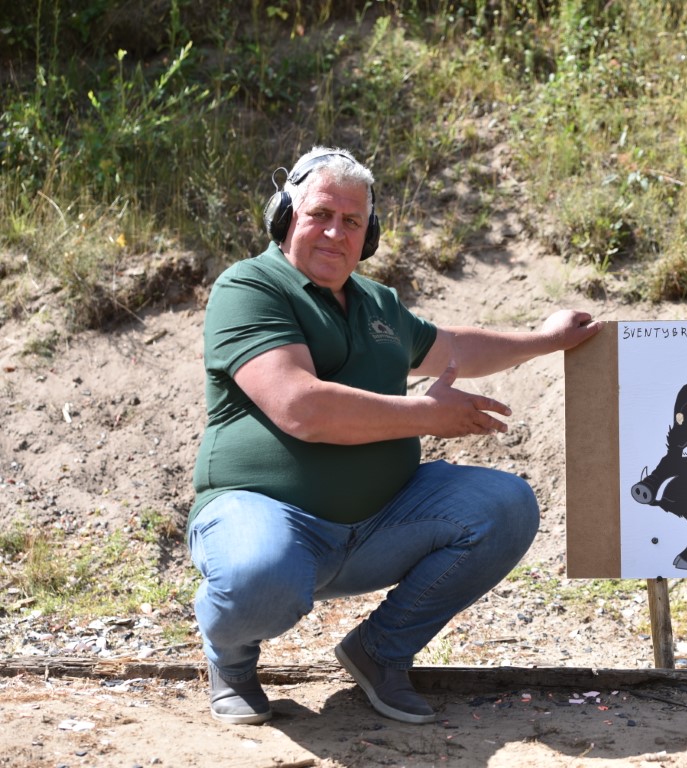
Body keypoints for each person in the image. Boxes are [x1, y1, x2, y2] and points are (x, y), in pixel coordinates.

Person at [187, 146, 600, 726]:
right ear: (286, 215)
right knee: (258, 575)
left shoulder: (377, 303)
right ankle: (230, 661)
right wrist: (428, 415)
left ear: (370, 233)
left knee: (506, 506)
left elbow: (456, 349)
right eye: (320, 214)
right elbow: (302, 409)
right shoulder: (250, 287)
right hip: (266, 514)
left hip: (381, 523)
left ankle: (380, 652)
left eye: (352, 221)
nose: (335, 232)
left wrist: (546, 340)